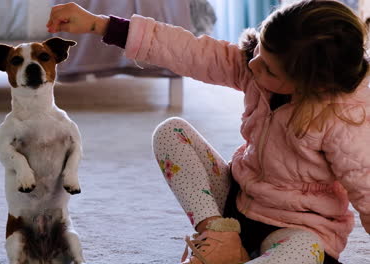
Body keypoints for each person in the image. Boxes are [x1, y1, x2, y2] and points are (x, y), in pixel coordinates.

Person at [47, 1, 370, 263]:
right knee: (172, 131)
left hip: (301, 227)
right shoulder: (252, 66)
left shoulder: (345, 118)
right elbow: (188, 51)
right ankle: (219, 236)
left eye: (269, 68)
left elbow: (367, 190)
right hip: (236, 204)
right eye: (259, 49)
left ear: (314, 84)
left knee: (302, 253)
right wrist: (99, 24)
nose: (254, 65)